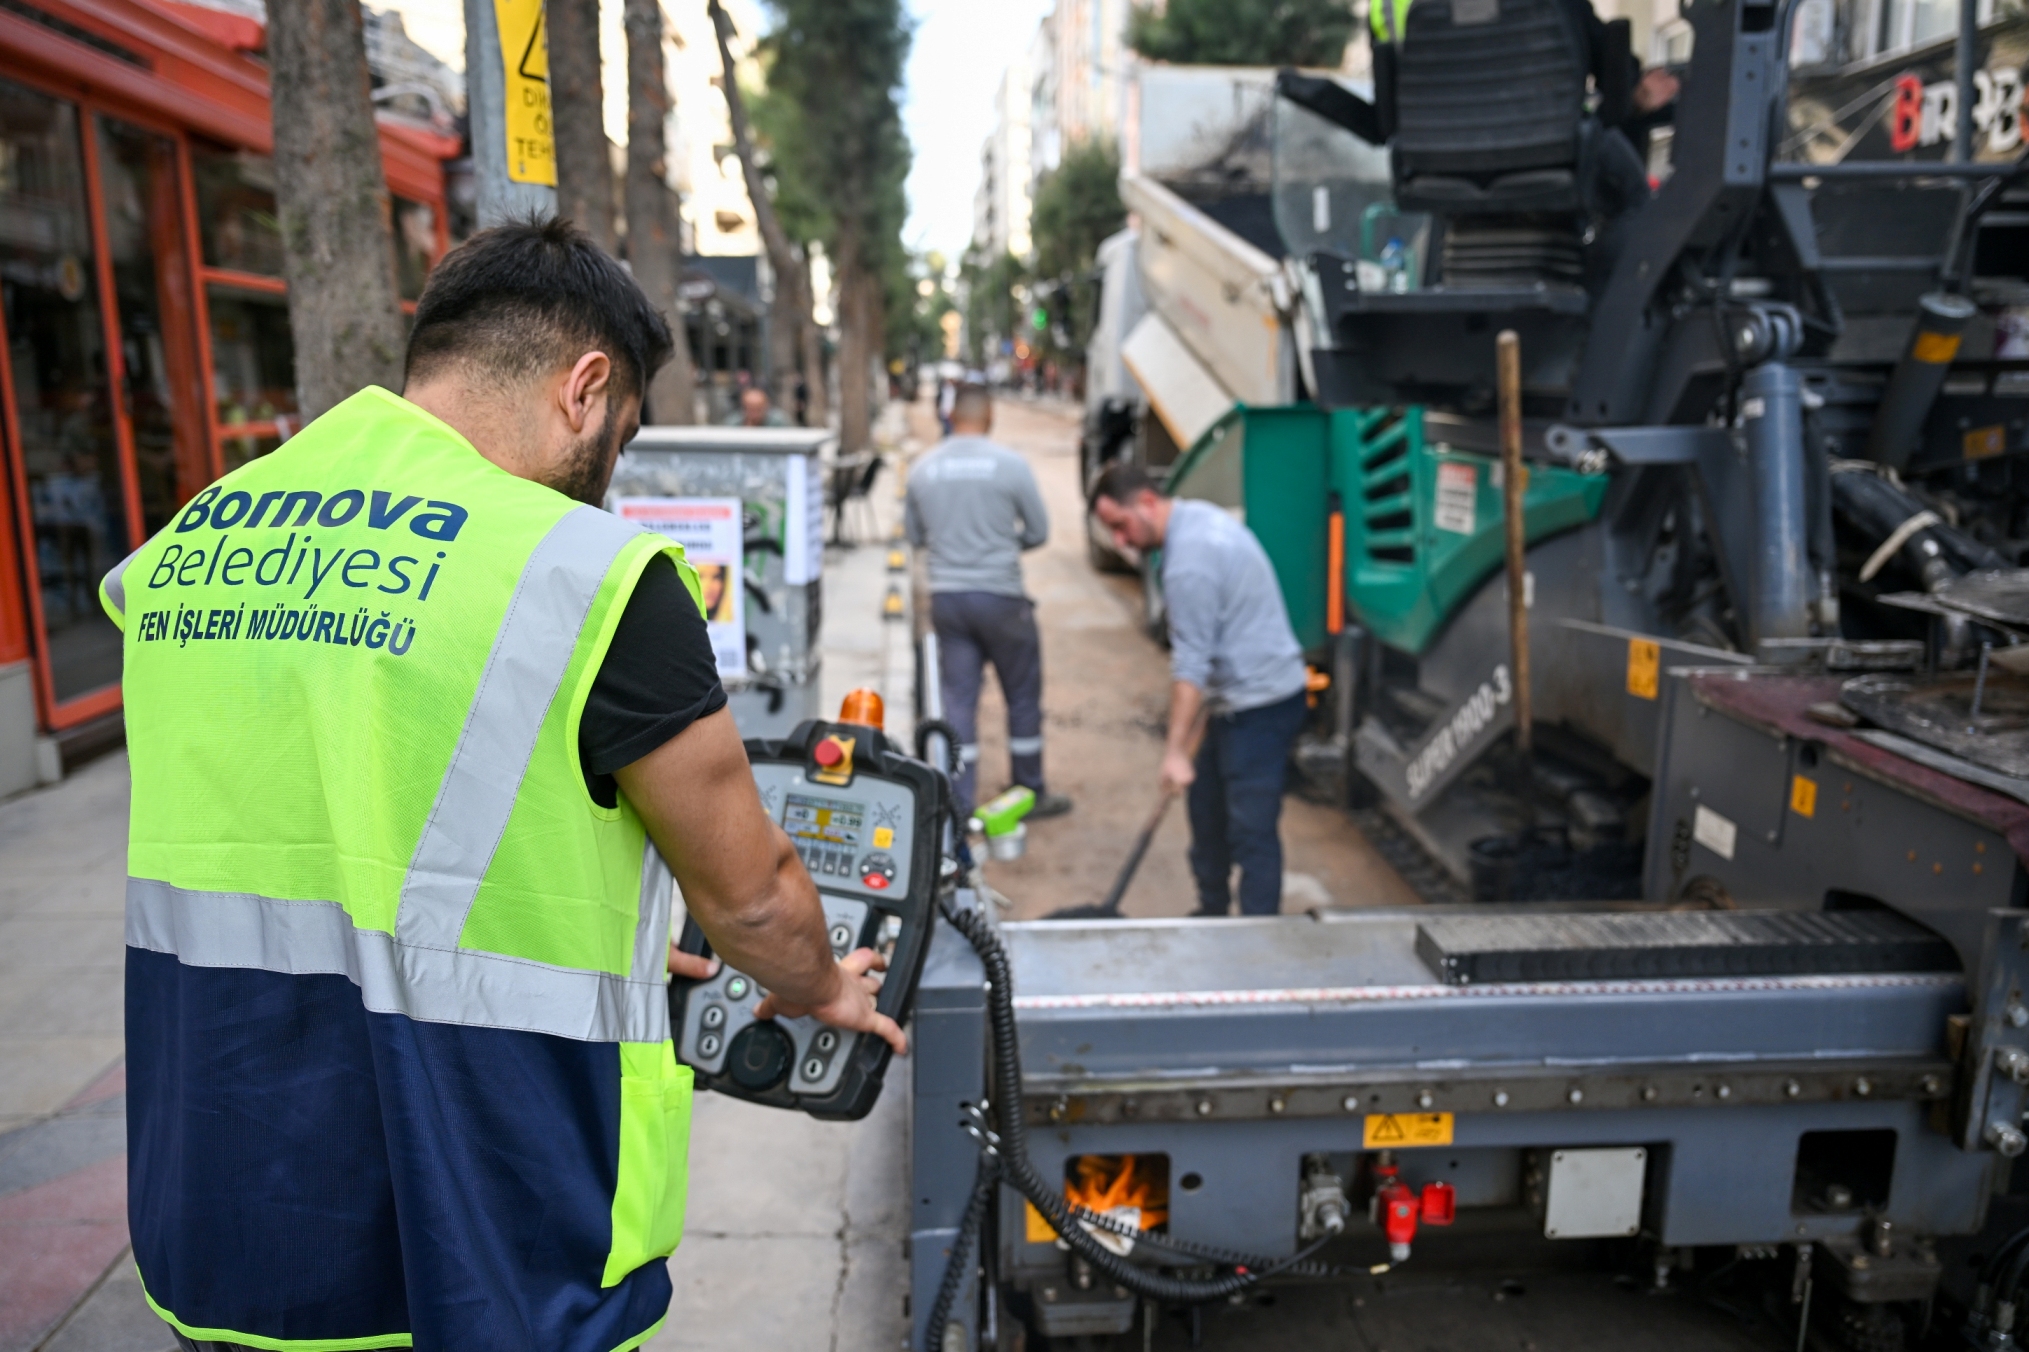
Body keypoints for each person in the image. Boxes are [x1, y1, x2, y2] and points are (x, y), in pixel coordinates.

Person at [100, 218, 903, 1352]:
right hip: (486, 1235)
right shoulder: (587, 575)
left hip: (229, 1218)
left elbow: (338, 810)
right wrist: (821, 986)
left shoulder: (186, 549)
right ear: (587, 387)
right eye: (621, 437)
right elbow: (758, 897)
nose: (610, 475)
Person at [1090, 464, 1308, 917]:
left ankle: (1255, 939)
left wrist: (1174, 751)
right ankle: (1211, 914)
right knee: (1206, 812)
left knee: (1251, 829)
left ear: (1147, 503)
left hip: (1263, 703)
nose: (1121, 542)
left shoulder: (1190, 560)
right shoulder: (1193, 519)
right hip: (1231, 698)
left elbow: (1190, 662)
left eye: (1121, 526)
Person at [905, 383, 1070, 819]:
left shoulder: (923, 469)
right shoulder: (1011, 466)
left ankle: (959, 803)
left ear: (951, 416)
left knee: (958, 701)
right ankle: (1028, 791)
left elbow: (916, 535)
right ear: (990, 416)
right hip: (1003, 600)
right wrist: (1001, 543)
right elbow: (1037, 531)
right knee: (1021, 696)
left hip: (949, 601)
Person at [722, 384, 792, 427]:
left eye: (758, 409)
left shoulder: (779, 421)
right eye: (750, 409)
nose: (754, 414)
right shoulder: (733, 422)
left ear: (766, 407)